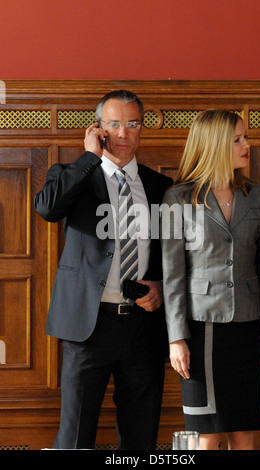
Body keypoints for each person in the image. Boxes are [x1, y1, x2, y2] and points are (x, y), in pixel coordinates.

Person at [34, 90, 173, 450]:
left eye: (132, 124)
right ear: (97, 129)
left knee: (141, 437)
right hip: (87, 325)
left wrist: (160, 286)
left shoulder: (161, 187)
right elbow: (47, 209)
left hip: (143, 327)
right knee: (75, 437)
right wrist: (89, 157)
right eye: (114, 124)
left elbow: (171, 254)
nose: (123, 134)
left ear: (142, 130)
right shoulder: (72, 174)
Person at [160, 109, 260, 450]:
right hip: (200, 333)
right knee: (206, 435)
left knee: (243, 432)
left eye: (245, 137)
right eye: (238, 139)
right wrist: (176, 339)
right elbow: (172, 276)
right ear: (214, 145)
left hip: (248, 329)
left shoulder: (257, 196)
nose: (248, 144)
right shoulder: (177, 198)